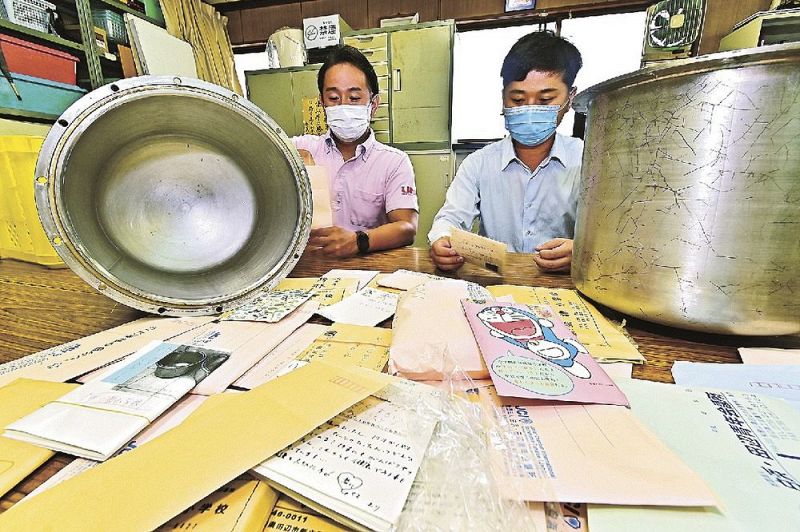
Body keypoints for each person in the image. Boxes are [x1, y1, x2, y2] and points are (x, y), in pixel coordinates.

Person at [429, 31, 583, 272]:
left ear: (570, 98)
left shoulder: (588, 160)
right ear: (503, 98)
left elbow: (613, 234)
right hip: (496, 283)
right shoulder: (478, 163)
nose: (530, 109)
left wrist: (584, 250)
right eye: (518, 100)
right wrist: (441, 240)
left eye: (545, 100)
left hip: (562, 284)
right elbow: (449, 219)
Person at [293, 45, 418, 258]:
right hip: (313, 265)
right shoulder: (304, 147)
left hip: (366, 266)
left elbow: (407, 227)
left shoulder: (393, 162)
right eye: (333, 98)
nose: (343, 106)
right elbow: (258, 147)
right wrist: (287, 155)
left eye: (354, 98)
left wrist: (359, 240)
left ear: (373, 104)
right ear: (322, 103)